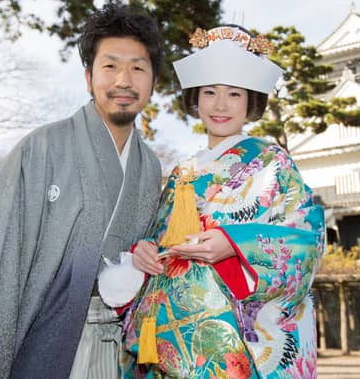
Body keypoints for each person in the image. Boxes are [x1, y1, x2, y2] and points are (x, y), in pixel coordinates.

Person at [0, 3, 163, 379]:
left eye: (138, 68)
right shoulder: (43, 147)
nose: (124, 80)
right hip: (43, 338)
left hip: (120, 350)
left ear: (153, 81)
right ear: (88, 77)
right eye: (110, 66)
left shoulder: (150, 169)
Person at [114, 25, 326, 378]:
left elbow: (307, 237)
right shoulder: (184, 171)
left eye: (234, 94)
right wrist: (144, 251)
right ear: (196, 99)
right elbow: (159, 236)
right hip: (170, 341)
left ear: (251, 102)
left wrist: (233, 245)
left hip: (234, 344)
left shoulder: (272, 162)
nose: (221, 105)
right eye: (210, 92)